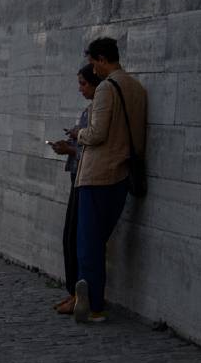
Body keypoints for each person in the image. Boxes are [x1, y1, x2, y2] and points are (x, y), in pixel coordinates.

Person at [58, 36, 149, 322]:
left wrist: (77, 134)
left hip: (97, 174)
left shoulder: (107, 89)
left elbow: (96, 134)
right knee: (98, 239)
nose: (92, 70)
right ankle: (89, 298)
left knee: (88, 243)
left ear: (101, 59)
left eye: (92, 63)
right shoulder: (137, 89)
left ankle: (93, 305)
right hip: (122, 173)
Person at [51, 65, 103, 316]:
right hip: (78, 176)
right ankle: (73, 292)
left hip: (87, 178)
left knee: (75, 237)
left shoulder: (97, 112)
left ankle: (78, 294)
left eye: (83, 83)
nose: (80, 88)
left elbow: (95, 148)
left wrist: (71, 148)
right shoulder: (89, 110)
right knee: (69, 236)